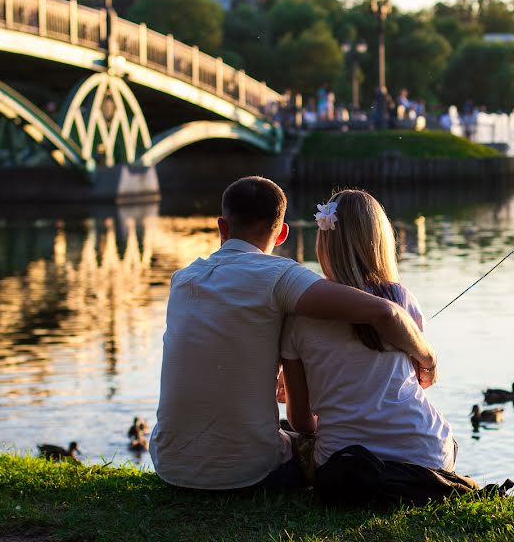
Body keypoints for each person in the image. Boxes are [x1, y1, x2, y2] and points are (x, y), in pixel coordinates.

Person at [149, 177, 436, 492]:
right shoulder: (280, 275)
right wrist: (429, 359)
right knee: (300, 444)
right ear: (282, 233)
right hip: (249, 474)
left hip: (170, 466)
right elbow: (384, 312)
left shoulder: (181, 280)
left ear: (222, 226)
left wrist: (288, 370)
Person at [281, 190, 456, 478]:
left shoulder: (298, 315)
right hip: (426, 456)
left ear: (323, 239)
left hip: (344, 467)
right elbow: (418, 382)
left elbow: (301, 422)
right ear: (380, 240)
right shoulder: (401, 299)